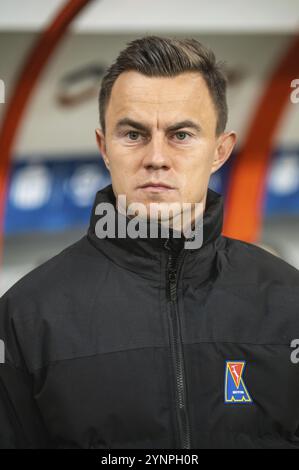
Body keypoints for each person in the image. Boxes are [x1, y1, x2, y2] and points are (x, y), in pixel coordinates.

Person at [0, 35, 299, 449]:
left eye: (181, 135)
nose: (156, 157)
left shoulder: (289, 300)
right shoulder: (26, 316)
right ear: (105, 148)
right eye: (134, 134)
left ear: (220, 150)